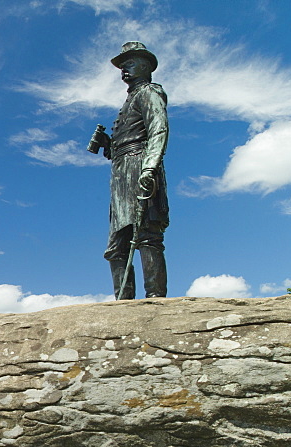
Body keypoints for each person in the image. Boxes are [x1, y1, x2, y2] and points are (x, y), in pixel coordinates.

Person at [93, 41, 169, 299]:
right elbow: (124, 143)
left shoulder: (149, 92)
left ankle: (155, 298)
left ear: (146, 66)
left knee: (147, 235)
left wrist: (149, 167)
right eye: (122, 66)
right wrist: (109, 146)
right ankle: (123, 303)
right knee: (116, 246)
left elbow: (158, 129)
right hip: (121, 173)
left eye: (130, 63)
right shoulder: (131, 99)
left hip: (139, 165)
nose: (124, 69)